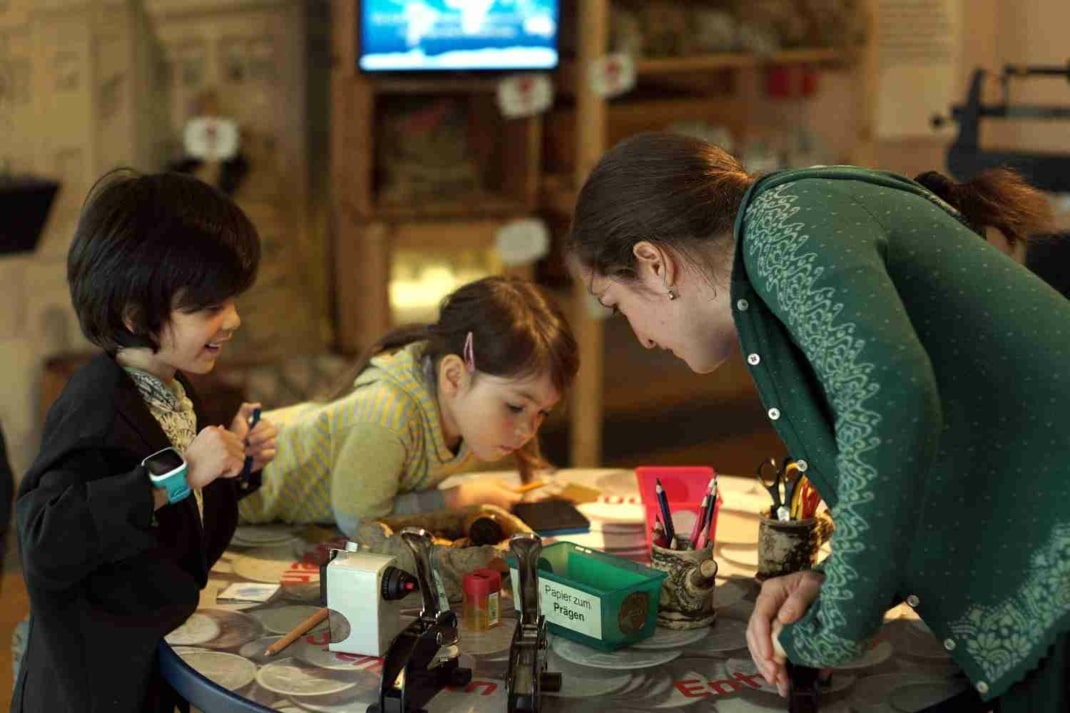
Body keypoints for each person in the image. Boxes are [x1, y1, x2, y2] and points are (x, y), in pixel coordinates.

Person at [569, 132, 1068, 710]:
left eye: (616, 305)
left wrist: (832, 630)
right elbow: (925, 449)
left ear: (654, 264)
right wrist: (832, 579)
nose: (640, 337)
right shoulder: (792, 224)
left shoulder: (783, 225)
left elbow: (890, 401)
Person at [13, 170, 278, 712]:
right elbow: (43, 544)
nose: (233, 320)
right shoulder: (95, 403)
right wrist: (182, 473)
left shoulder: (168, 387)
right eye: (208, 308)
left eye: (230, 300)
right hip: (97, 691)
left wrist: (235, 469)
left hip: (153, 670)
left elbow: (178, 537)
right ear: (136, 316)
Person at [239, 275, 578, 538]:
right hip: (227, 498)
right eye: (516, 407)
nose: (527, 430)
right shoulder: (386, 416)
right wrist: (457, 499)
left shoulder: (456, 411)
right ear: (454, 376)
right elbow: (361, 523)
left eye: (542, 413)